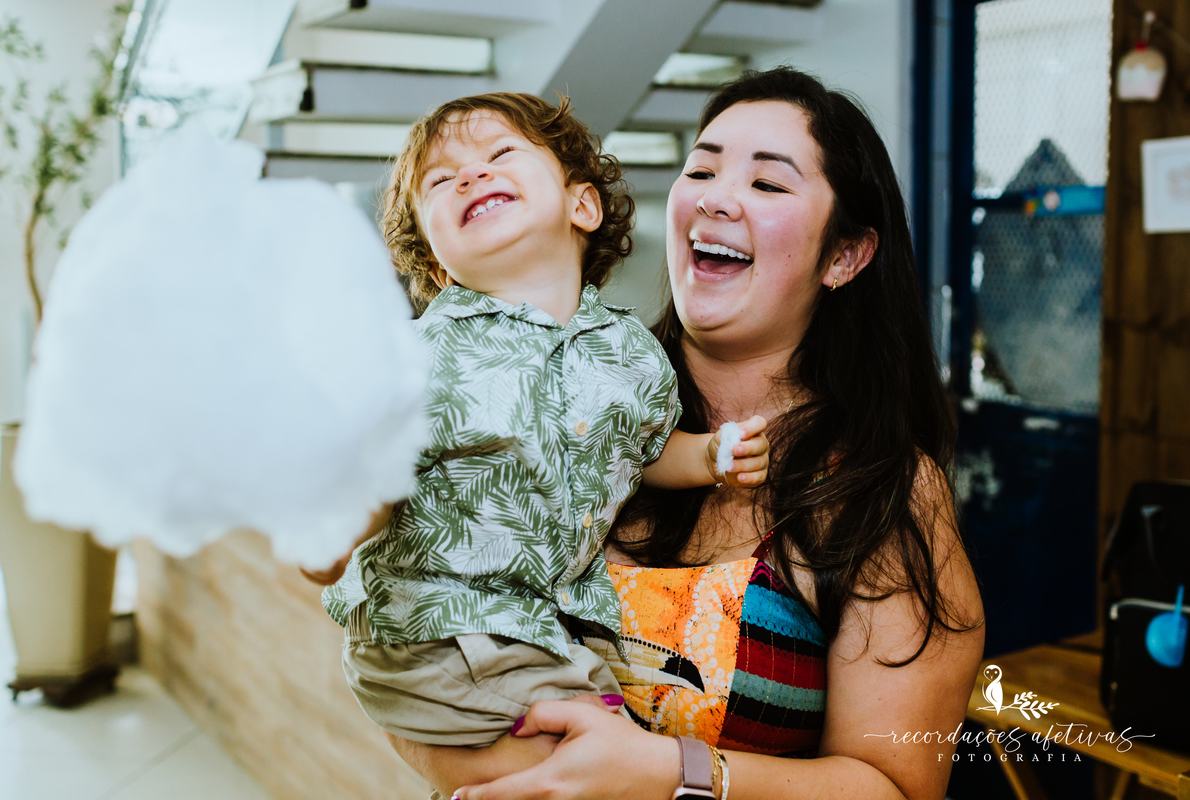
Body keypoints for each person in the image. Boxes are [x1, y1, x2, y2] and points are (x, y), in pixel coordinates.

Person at [386, 68, 985, 800]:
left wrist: (675, 774)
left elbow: (897, 789)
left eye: (768, 184)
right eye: (700, 168)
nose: (714, 195)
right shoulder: (546, 404)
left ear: (844, 256)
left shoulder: (881, 493)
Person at [308, 92, 770, 748]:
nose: (471, 175)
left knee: (612, 738)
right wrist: (336, 528)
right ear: (441, 267)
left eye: (499, 155)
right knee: (591, 755)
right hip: (438, 631)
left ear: (583, 205)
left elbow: (640, 449)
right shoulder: (428, 354)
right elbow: (380, 463)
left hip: (539, 632)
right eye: (442, 181)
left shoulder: (628, 352)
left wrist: (708, 456)